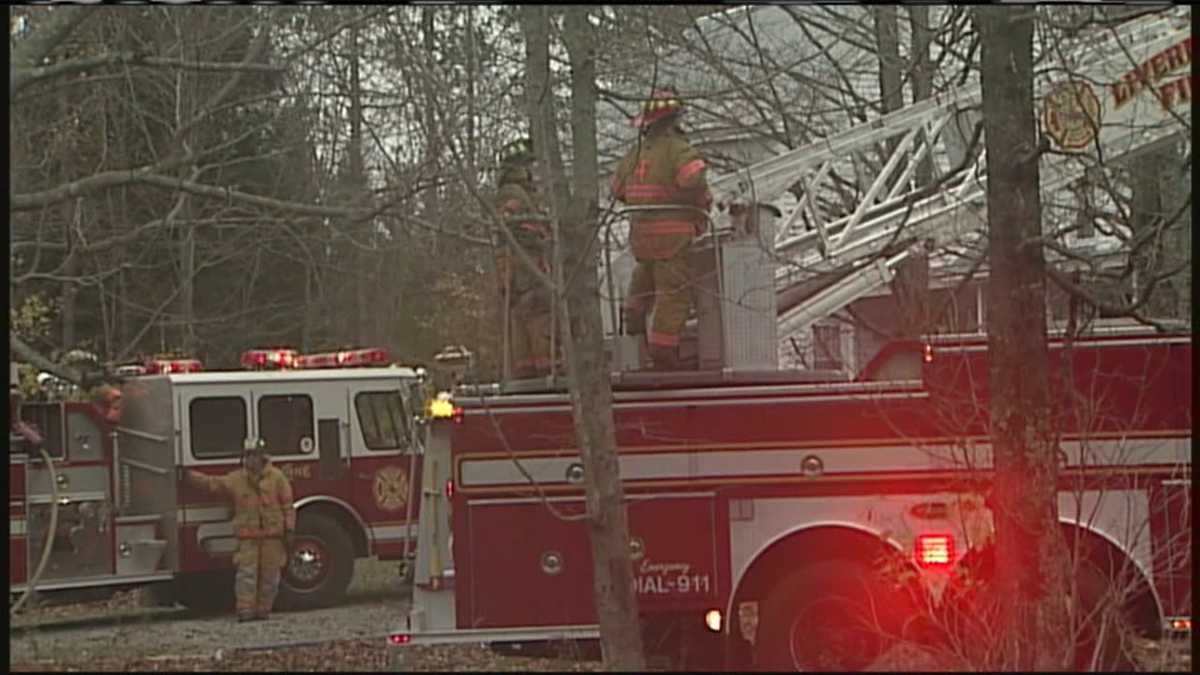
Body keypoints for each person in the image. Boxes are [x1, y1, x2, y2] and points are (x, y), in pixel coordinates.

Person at [610, 87, 712, 371]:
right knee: (674, 293)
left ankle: (634, 311)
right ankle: (664, 352)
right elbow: (693, 179)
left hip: (642, 236)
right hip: (673, 235)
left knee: (647, 273)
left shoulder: (635, 153)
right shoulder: (677, 148)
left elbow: (617, 189)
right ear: (675, 118)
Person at [186, 437, 295, 622]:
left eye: (254, 455)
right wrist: (189, 475)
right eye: (247, 456)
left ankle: (264, 611)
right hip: (248, 539)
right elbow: (213, 484)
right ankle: (245, 612)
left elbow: (287, 505)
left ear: (262, 457)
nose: (250, 460)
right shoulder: (236, 479)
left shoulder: (277, 478)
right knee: (246, 576)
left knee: (270, 576)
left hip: (273, 538)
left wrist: (290, 530)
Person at [494, 137, 555, 378]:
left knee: (522, 313)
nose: (532, 172)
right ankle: (547, 367)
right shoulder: (513, 192)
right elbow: (510, 223)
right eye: (528, 166)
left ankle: (528, 369)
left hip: (517, 263)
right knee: (538, 308)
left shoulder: (518, 192)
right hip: (524, 262)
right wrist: (541, 234)